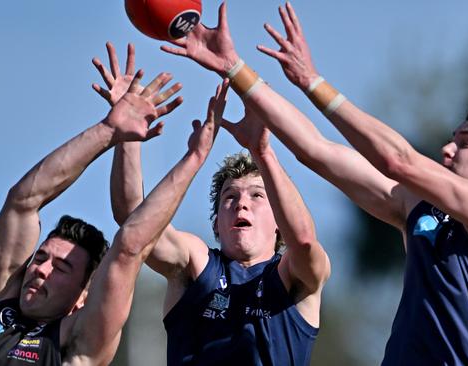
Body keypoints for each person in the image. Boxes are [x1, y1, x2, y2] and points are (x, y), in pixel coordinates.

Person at [161, 2, 468, 365]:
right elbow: (315, 150)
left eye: (464, 143)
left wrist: (313, 83)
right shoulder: (419, 208)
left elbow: (398, 160)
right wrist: (234, 67)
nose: (447, 149)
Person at [93, 42, 330, 365]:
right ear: (216, 222)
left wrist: (263, 152)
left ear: (279, 223)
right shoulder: (197, 264)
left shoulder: (293, 276)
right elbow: (134, 223)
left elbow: (303, 241)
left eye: (257, 196)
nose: (241, 205)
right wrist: (128, 137)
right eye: (229, 197)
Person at [0, 47, 187, 365]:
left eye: (60, 269)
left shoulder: (76, 344)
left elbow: (131, 244)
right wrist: (109, 130)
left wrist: (135, 143)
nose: (41, 270)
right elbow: (23, 200)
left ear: (82, 297)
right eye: (42, 258)